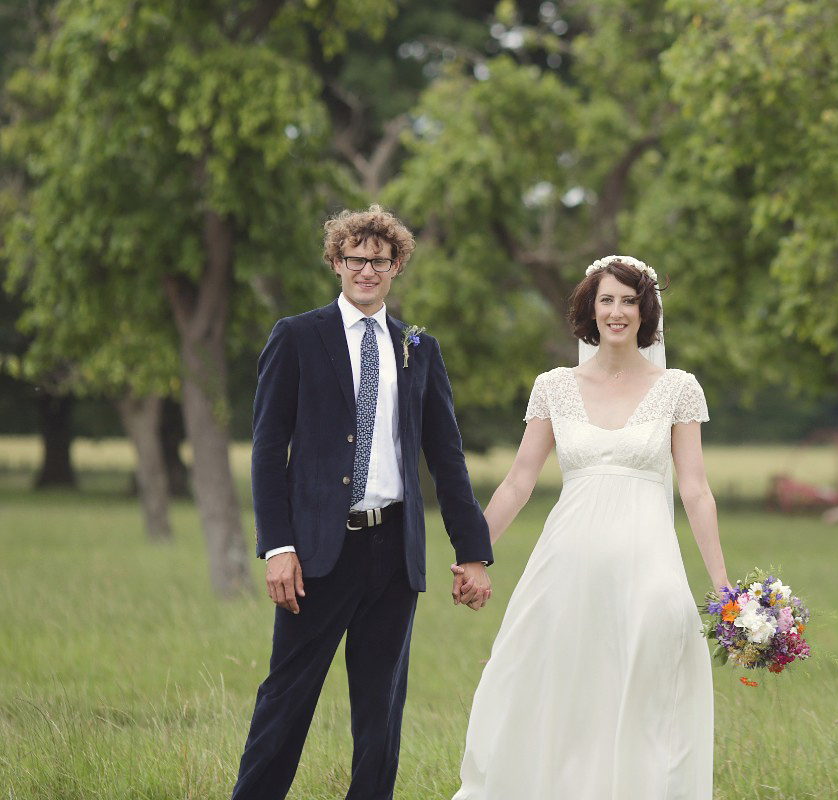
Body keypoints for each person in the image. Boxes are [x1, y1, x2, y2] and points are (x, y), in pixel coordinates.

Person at [232, 205, 494, 800]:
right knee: (286, 699)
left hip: (393, 552)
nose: (368, 271)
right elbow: (268, 452)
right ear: (336, 263)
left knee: (380, 712)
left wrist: (472, 551)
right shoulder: (296, 336)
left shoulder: (418, 346)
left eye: (380, 260)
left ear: (397, 265)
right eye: (356, 260)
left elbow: (446, 458)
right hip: (317, 554)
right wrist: (278, 546)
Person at [450, 256, 731, 799]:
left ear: (646, 311)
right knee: (556, 689)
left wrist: (724, 591)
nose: (617, 311)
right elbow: (517, 483)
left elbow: (695, 490)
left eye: (629, 300)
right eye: (607, 300)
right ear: (590, 308)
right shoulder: (555, 386)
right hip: (566, 564)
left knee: (650, 680)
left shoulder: (678, 388)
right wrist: (472, 555)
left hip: (649, 562)